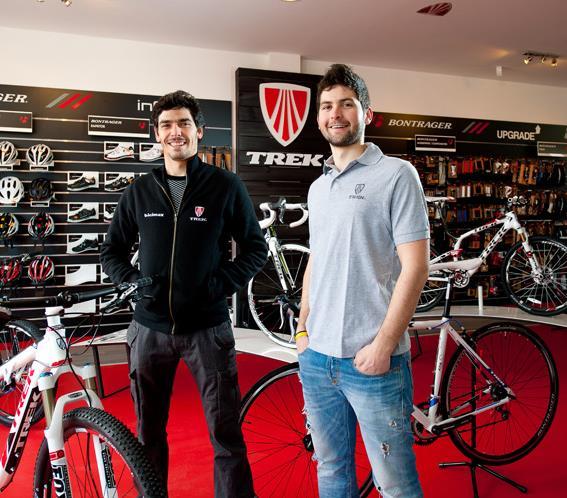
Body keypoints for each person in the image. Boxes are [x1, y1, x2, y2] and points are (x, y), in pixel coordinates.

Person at [100, 90, 266, 497]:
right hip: (148, 330)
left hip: (207, 330)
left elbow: (255, 248)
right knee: (147, 435)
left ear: (199, 132)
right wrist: (132, 282)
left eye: (184, 124)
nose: (176, 132)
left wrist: (218, 284)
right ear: (157, 135)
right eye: (167, 125)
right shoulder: (139, 191)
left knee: (225, 432)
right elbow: (112, 250)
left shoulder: (224, 186)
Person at [295, 64, 428, 498]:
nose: (336, 114)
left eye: (346, 104)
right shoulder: (319, 187)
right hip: (317, 358)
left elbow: (416, 266)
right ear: (318, 118)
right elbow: (318, 257)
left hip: (373, 362)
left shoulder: (396, 174)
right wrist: (302, 326)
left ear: (366, 113)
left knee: (395, 485)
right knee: (331, 469)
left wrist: (385, 345)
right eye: (327, 106)